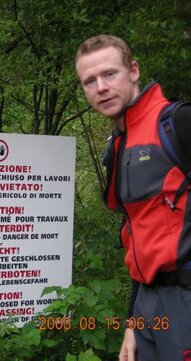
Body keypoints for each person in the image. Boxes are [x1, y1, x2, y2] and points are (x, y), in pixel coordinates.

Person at [76, 35, 191, 360]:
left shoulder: (178, 124)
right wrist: (133, 321)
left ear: (134, 71)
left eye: (109, 74)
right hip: (148, 305)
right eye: (90, 80)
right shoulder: (118, 146)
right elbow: (138, 237)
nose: (101, 86)